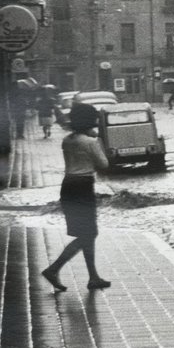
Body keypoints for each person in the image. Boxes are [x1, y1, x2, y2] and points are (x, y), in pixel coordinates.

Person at [41, 102, 112, 291]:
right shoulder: (90, 142)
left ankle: (93, 277)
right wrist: (99, 143)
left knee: (85, 234)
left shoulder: (67, 140)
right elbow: (103, 164)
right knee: (89, 234)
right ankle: (53, 269)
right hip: (83, 186)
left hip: (68, 185)